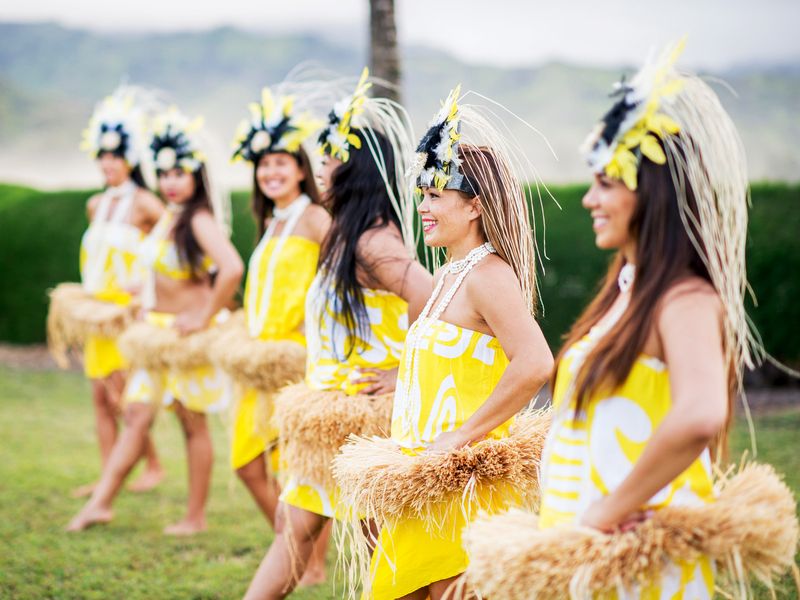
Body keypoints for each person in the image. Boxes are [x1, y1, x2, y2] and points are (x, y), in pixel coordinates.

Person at [535, 40, 755, 597]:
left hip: (637, 562)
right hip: (592, 553)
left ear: (650, 193)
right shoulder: (625, 292)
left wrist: (611, 506)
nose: (588, 199)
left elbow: (702, 412)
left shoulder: (682, 297)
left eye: (605, 183)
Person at [354, 85, 554, 600]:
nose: (422, 206)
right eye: (422, 194)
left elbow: (535, 363)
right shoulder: (447, 274)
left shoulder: (489, 274)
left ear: (474, 206)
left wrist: (459, 438)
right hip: (422, 477)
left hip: (460, 485)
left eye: (435, 195)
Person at [243, 68, 432, 599]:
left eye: (330, 157)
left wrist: (403, 371)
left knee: (381, 547)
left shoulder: (374, 242)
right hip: (331, 415)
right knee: (295, 529)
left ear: (357, 165)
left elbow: (435, 296)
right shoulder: (344, 235)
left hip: (365, 419)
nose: (320, 166)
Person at [67, 108, 243, 535]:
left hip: (186, 338)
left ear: (196, 176)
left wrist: (202, 315)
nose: (170, 181)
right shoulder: (170, 216)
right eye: (164, 173)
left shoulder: (198, 219)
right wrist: (145, 302)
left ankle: (195, 517)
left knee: (191, 422)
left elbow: (232, 268)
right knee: (137, 414)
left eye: (180, 173)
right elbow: (157, 271)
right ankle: (100, 503)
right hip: (157, 334)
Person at [219, 85, 331, 583]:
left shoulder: (315, 217)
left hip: (299, 359)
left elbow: (340, 279)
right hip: (262, 359)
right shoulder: (271, 221)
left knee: (299, 468)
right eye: (264, 166)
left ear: (302, 168)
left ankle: (310, 559)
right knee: (247, 461)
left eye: (281, 164)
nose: (271, 173)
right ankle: (288, 549)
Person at [49, 86, 165, 498]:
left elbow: (168, 250)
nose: (107, 163)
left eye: (114, 156)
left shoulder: (147, 203)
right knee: (101, 395)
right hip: (97, 312)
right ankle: (106, 473)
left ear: (130, 158)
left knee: (122, 394)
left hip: (127, 313)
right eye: (102, 156)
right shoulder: (96, 205)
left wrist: (147, 288)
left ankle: (151, 464)